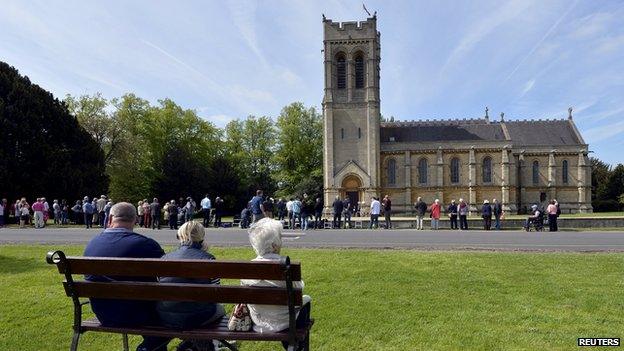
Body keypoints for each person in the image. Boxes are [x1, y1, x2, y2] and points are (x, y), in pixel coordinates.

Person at [83, 202, 167, 351]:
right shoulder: (146, 245)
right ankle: (148, 347)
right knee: (175, 316)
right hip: (141, 314)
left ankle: (149, 347)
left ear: (110, 218)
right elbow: (168, 275)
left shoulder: (92, 244)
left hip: (104, 314)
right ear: (136, 220)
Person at [241, 218, 311, 350]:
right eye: (280, 238)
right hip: (286, 322)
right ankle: (298, 345)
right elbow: (299, 287)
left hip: (259, 320)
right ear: (274, 245)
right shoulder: (285, 267)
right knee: (306, 300)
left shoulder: (248, 268)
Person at [157, 221, 225, 350]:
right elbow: (216, 295)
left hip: (167, 316)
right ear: (201, 237)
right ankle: (204, 345)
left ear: (180, 236)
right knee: (219, 309)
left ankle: (190, 344)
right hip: (199, 317)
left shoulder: (165, 258)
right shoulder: (208, 259)